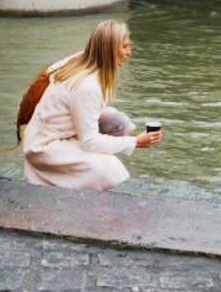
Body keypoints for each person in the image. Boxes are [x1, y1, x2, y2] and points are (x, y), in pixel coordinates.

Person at [22, 20, 162, 190]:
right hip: (44, 146)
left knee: (118, 121)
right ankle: (76, 184)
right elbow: (89, 141)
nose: (129, 52)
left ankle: (86, 168)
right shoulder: (88, 87)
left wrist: (131, 140)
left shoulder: (82, 60)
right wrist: (135, 142)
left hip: (46, 133)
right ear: (109, 49)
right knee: (112, 169)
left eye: (129, 46)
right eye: (124, 47)